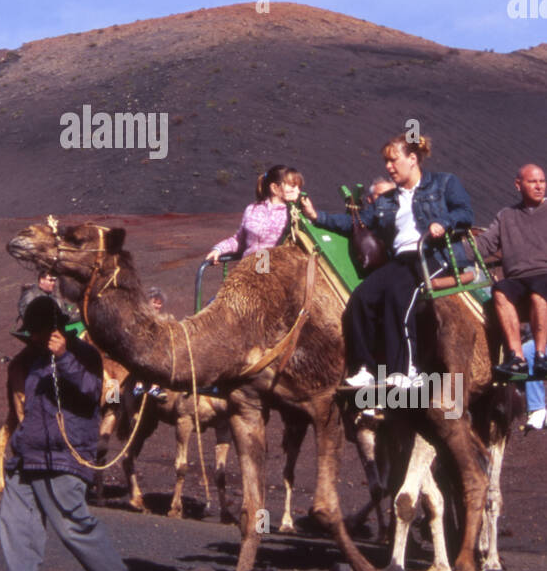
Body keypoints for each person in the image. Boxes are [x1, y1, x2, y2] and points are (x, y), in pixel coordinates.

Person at [302, 133, 474, 389]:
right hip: (402, 260)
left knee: (398, 293)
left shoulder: (444, 183)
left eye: (393, 161)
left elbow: (464, 212)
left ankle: (405, 369)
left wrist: (443, 223)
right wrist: (317, 217)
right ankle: (364, 368)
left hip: (434, 254)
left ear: (413, 159)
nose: (388, 167)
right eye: (386, 162)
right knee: (362, 297)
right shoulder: (387, 200)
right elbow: (357, 224)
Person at [0, 296, 139, 571]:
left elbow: (92, 391)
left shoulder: (86, 353)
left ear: (56, 329)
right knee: (17, 521)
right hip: (30, 453)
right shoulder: (31, 360)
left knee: (72, 523)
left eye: (38, 330)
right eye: (32, 331)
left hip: (64, 454)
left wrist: (63, 357)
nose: (33, 337)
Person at [474, 165, 547, 379]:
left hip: (544, 273)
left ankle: (541, 355)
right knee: (500, 290)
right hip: (516, 278)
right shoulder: (506, 216)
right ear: (518, 185)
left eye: (542, 181)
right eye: (533, 181)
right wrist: (452, 252)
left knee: (539, 292)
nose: (539, 186)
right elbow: (485, 244)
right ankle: (517, 358)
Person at [205, 164, 306, 264]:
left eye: (299, 187)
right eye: (293, 186)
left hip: (277, 271)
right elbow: (240, 240)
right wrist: (218, 249)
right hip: (249, 268)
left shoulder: (296, 214)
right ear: (275, 188)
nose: (298, 191)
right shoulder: (253, 209)